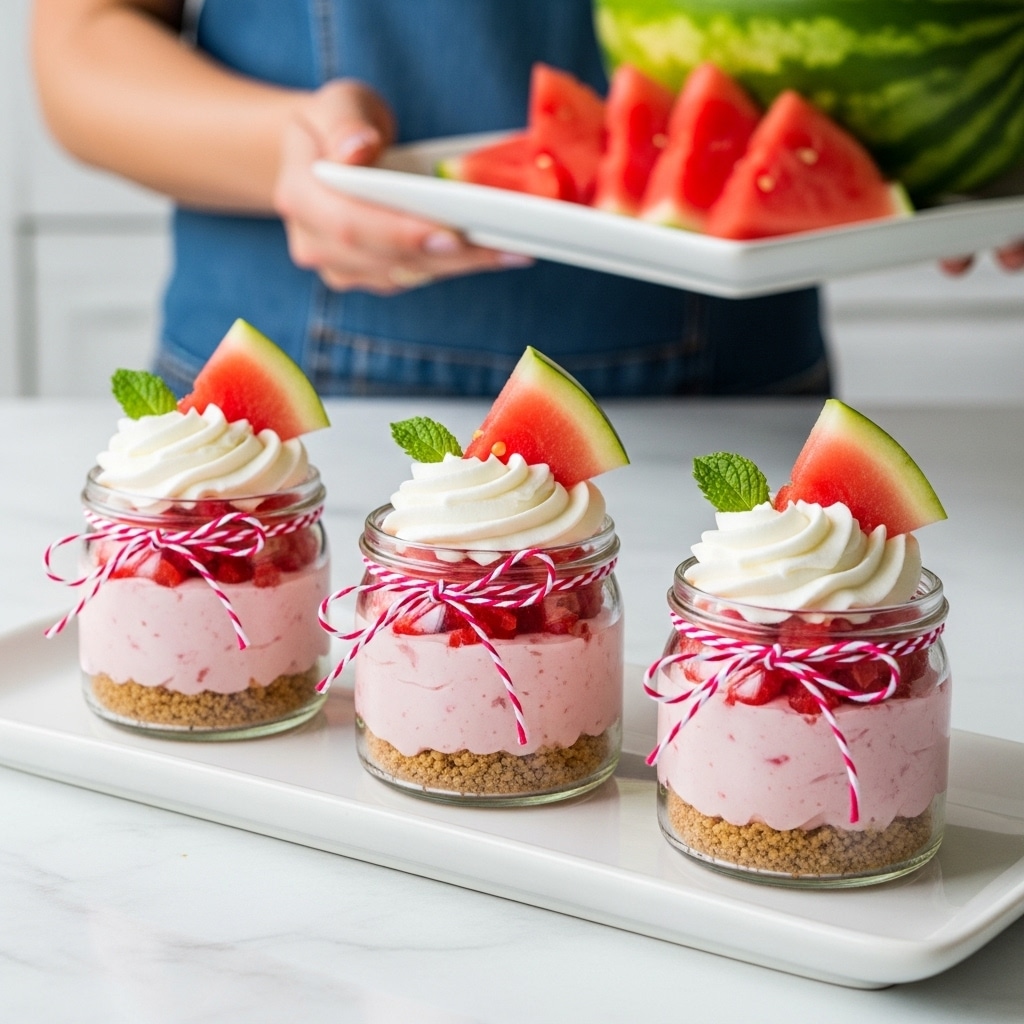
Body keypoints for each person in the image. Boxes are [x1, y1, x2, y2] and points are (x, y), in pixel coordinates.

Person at [31, 0, 1024, 400]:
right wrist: (291, 155)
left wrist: (964, 129)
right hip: (295, 399)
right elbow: (78, 46)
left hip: (730, 407)